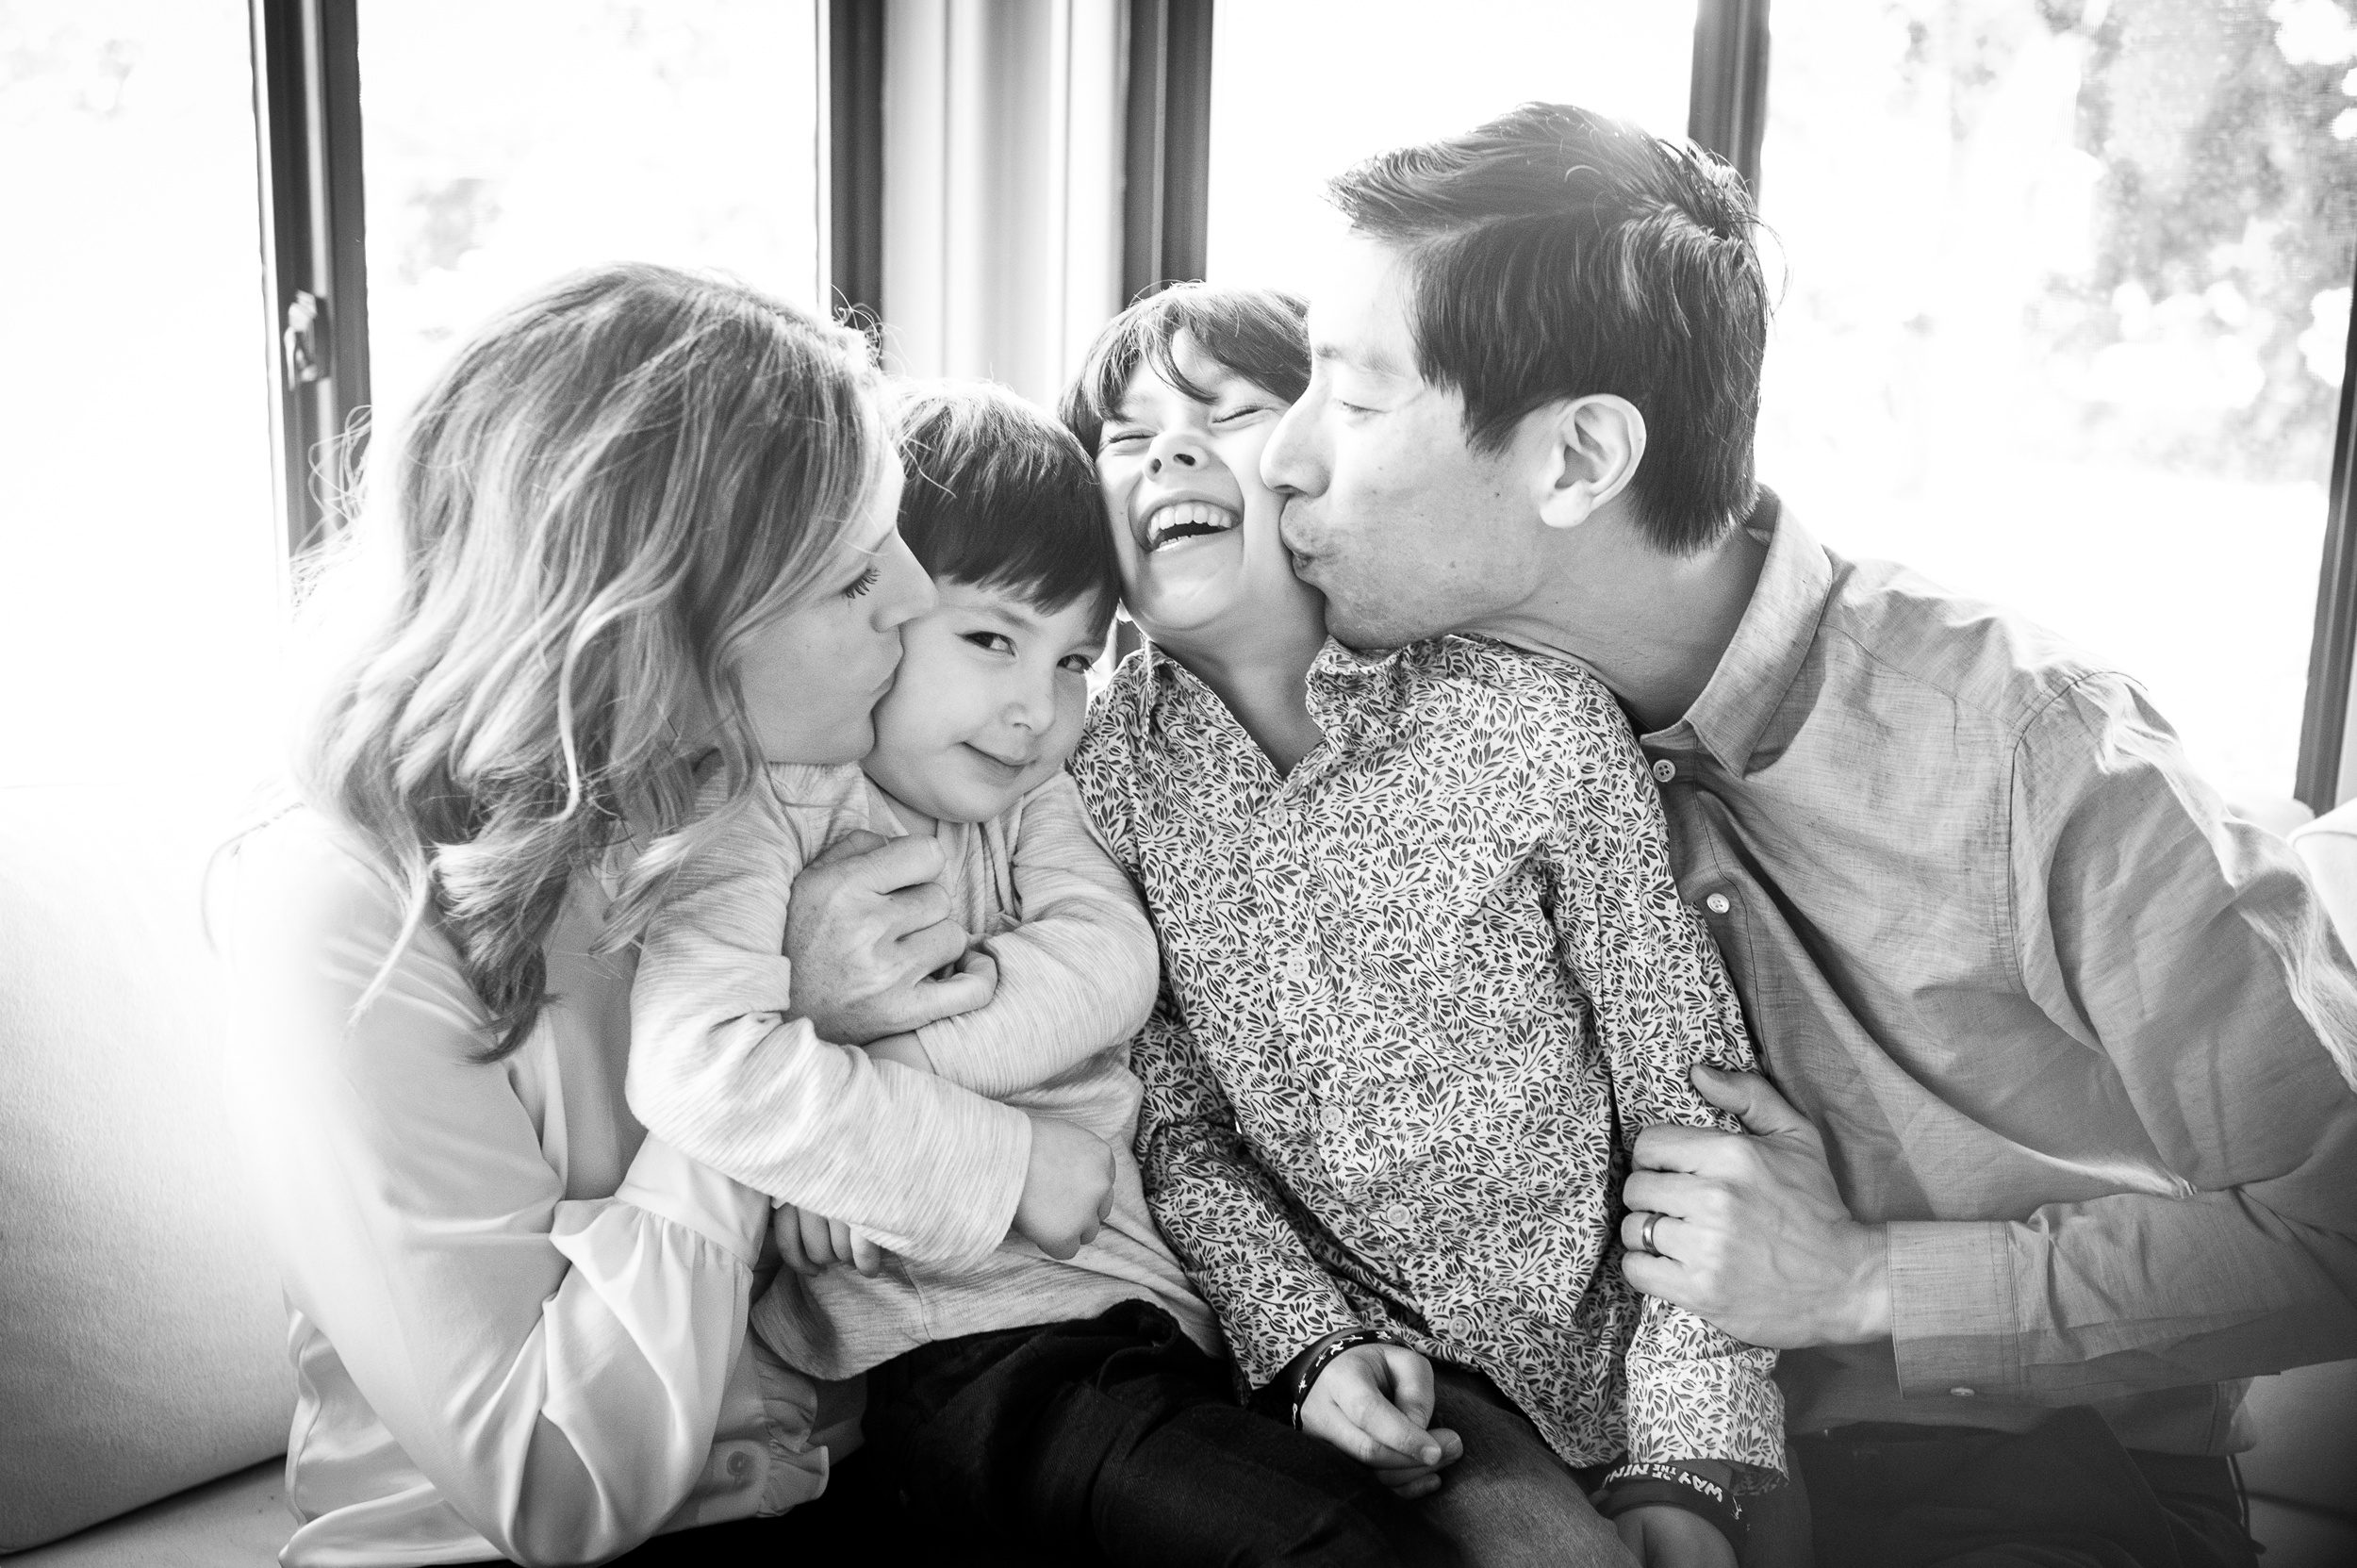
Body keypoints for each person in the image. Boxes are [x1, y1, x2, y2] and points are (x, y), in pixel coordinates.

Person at [1258, 101, 2357, 1568]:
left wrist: (1856, 1281)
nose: (1279, 456)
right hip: (1588, 1442)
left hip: (2029, 1479)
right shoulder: (1397, 721)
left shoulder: (2039, 753)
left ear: (1579, 459)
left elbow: (2341, 1228)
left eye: (1353, 394)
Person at [211, 264, 1014, 1565]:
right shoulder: (345, 912)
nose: (921, 593)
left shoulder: (763, 791)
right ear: (656, 626)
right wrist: (759, 1046)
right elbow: (552, 1482)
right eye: (853, 575)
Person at [625, 380, 1450, 1568]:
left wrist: (876, 1075)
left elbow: (1108, 961)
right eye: (990, 640)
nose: (1035, 709)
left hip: (1150, 1330)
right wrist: (996, 1160)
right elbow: (699, 1064)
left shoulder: (1036, 797)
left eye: (1075, 661)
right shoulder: (774, 800)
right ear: (879, 607)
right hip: (965, 1350)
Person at [1063, 281, 1787, 1568]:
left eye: (1224, 413)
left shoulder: (1528, 716)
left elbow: (1693, 1092)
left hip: (1653, 1354)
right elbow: (1177, 1126)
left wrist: (1692, 1459)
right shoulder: (1106, 774)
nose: (1168, 447)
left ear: (1317, 466)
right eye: (1126, 438)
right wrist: (1310, 1346)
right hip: (1414, 1384)